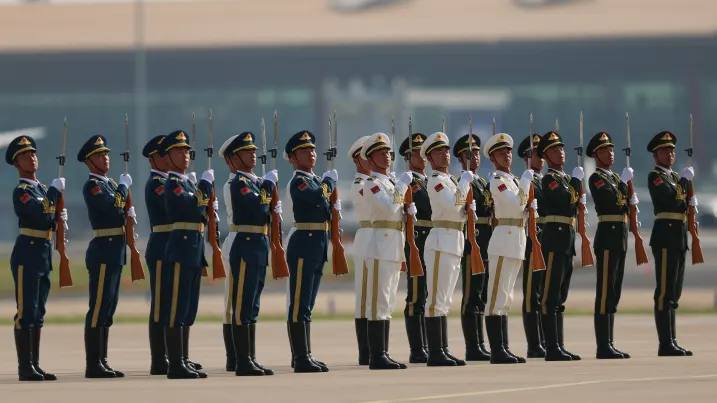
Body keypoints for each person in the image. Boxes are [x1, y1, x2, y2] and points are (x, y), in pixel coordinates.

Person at [7, 135, 65, 381]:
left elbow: (49, 217)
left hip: (42, 252)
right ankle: (25, 367)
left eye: (32, 154)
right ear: (17, 163)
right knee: (26, 311)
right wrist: (53, 192)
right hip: (27, 252)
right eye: (24, 156)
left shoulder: (40, 189)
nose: (31, 158)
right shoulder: (22, 191)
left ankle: (35, 364)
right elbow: (38, 215)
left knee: (38, 311)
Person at [159, 129, 216, 379]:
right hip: (181, 249)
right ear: (168, 157)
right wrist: (204, 185)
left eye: (186, 151)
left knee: (187, 309)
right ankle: (175, 364)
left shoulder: (186, 184)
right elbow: (192, 207)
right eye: (178, 151)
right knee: (176, 308)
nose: (184, 155)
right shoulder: (172, 184)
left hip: (193, 249)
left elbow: (201, 212)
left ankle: (182, 359)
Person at [222, 131, 279, 375]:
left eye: (254, 151)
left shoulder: (254, 182)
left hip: (258, 243)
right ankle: (242, 360)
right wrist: (268, 187)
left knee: (252, 304)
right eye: (247, 151)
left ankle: (250, 358)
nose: (253, 154)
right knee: (242, 305)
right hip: (244, 243)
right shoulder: (239, 183)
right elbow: (257, 208)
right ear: (234, 158)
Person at [77, 134, 133, 378]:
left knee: (108, 308)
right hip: (103, 249)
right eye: (100, 155)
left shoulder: (109, 183)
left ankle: (103, 360)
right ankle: (93, 364)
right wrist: (124, 187)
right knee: (98, 307)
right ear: (89, 162)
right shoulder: (93, 186)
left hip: (115, 250)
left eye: (106, 154)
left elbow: (120, 209)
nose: (106, 158)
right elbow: (112, 208)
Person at [284, 130, 336, 373]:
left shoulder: (315, 180)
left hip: (317, 244)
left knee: (307, 303)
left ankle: (305, 354)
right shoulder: (299, 181)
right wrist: (329, 183)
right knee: (299, 302)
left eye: (313, 149)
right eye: (304, 151)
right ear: (293, 158)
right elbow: (316, 197)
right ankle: (300, 357)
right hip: (303, 243)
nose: (311, 153)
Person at [360, 132, 411, 370]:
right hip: (380, 246)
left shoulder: (390, 184)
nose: (387, 156)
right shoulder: (372, 184)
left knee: (388, 301)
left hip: (394, 246)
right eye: (381, 153)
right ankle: (376, 355)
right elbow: (389, 209)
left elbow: (398, 212)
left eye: (388, 152)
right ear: (370, 159)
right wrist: (401, 186)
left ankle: (384, 352)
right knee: (377, 302)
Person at [420, 131, 472, 367]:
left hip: (454, 239)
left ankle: (443, 349)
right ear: (429, 158)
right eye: (438, 151)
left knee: (445, 299)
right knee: (436, 299)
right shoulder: (436, 181)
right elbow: (454, 207)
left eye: (446, 150)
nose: (445, 154)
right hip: (441, 240)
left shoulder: (450, 181)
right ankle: (435, 352)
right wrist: (465, 183)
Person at [483, 133, 532, 364]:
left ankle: (504, 347)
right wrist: (526, 182)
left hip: (517, 240)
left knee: (506, 297)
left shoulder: (512, 181)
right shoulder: (497, 180)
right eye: (501, 152)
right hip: (504, 240)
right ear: (493, 158)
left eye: (509, 151)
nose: (507, 155)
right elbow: (515, 205)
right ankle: (497, 350)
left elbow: (525, 209)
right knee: (496, 297)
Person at [646, 130, 695, 357]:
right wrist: (685, 181)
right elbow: (670, 200)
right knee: (665, 291)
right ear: (656, 155)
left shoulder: (675, 177)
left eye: (672, 151)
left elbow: (683, 203)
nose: (670, 154)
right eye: (665, 151)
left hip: (678, 237)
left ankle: (672, 340)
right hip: (665, 237)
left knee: (675, 292)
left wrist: (689, 196)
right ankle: (664, 343)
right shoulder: (656, 177)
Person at [586, 131, 633, 359]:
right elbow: (611, 201)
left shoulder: (614, 178)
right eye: (605, 150)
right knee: (605, 292)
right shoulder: (596, 179)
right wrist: (624, 184)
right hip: (607, 237)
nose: (610, 154)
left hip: (619, 238)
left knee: (614, 292)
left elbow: (625, 204)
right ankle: (603, 346)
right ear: (596, 155)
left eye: (612, 149)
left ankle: (610, 343)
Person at [537, 131, 584, 361]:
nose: (560, 152)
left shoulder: (564, 180)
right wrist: (576, 181)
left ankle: (559, 345)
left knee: (560, 297)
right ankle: (551, 347)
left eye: (561, 148)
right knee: (550, 296)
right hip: (554, 241)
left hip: (566, 241)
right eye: (554, 150)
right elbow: (566, 202)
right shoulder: (550, 180)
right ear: (546, 156)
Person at [453, 133, 492, 361]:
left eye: (476, 153)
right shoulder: (462, 181)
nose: (475, 157)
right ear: (461, 159)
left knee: (481, 296)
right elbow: (458, 207)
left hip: (486, 241)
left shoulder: (483, 182)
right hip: (472, 242)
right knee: (471, 295)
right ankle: (472, 346)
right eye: (469, 154)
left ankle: (480, 343)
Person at [398, 132, 430, 364]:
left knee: (429, 295)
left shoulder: (431, 180)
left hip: (433, 239)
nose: (423, 157)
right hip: (416, 239)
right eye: (418, 153)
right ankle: (417, 348)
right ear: (408, 156)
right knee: (416, 295)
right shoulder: (409, 181)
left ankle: (430, 345)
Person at [142, 135, 172, 375]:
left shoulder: (170, 181)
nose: (168, 158)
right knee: (161, 305)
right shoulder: (157, 183)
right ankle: (159, 360)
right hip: (161, 246)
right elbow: (171, 207)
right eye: (163, 154)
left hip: (172, 245)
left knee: (173, 305)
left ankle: (175, 355)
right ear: (153, 159)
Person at [517, 134, 547, 358]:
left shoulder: (547, 179)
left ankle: (546, 340)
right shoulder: (525, 181)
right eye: (538, 154)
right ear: (527, 157)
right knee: (531, 293)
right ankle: (534, 344)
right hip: (531, 239)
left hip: (549, 239)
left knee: (545, 293)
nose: (542, 158)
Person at [348, 135, 371, 366]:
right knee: (364, 298)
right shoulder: (360, 184)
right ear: (357, 160)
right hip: (366, 238)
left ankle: (375, 347)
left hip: (379, 239)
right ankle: (365, 351)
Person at [219, 134, 239, 372]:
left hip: (252, 242)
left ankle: (244, 353)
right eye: (245, 153)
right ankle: (233, 356)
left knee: (247, 303)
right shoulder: (232, 184)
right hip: (236, 242)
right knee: (232, 303)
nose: (252, 156)